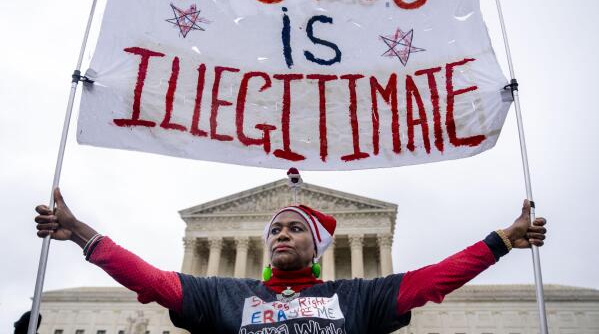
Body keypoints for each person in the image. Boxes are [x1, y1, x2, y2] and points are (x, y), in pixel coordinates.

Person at [35, 187, 547, 334]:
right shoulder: (225, 296)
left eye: (295, 227)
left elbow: (434, 281)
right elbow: (151, 282)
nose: (282, 233)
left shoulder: (354, 298)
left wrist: (502, 240)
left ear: (316, 245)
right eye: (275, 227)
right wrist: (82, 234)